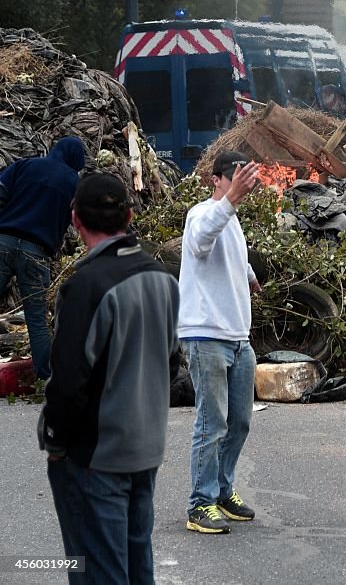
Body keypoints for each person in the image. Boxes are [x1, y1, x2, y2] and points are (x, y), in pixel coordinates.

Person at [39, 172, 179, 583]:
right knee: (138, 567)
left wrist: (56, 442)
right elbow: (170, 363)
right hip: (145, 449)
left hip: (94, 457)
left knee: (98, 572)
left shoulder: (85, 287)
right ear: (130, 216)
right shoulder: (163, 279)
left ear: (75, 220)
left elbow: (68, 381)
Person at [182, 151, 263, 534]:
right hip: (206, 335)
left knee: (240, 422)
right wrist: (231, 200)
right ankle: (200, 503)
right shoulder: (202, 213)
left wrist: (247, 273)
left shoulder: (232, 221)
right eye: (234, 176)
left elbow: (227, 251)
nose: (241, 182)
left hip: (236, 338)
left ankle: (222, 489)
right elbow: (200, 242)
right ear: (216, 179)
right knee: (211, 422)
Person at [0, 136, 85, 379]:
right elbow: (77, 220)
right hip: (36, 252)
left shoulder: (26, 165)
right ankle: (46, 376)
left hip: (3, 241)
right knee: (36, 319)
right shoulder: (73, 182)